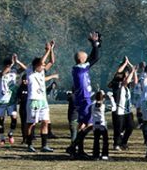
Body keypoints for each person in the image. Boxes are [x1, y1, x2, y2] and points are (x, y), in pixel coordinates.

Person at [65, 31, 101, 159]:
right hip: (85, 99)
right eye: (85, 58)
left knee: (82, 125)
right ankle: (73, 146)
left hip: (82, 99)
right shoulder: (80, 69)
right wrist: (94, 44)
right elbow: (95, 58)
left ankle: (78, 151)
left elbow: (92, 57)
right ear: (82, 60)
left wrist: (96, 44)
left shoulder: (79, 68)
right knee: (91, 125)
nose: (88, 59)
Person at [25, 41, 59, 153]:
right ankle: (29, 144)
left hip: (43, 101)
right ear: (36, 65)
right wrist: (47, 50)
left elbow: (52, 61)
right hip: (33, 100)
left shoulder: (41, 72)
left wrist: (51, 49)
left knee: (45, 121)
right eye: (42, 65)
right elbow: (41, 61)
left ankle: (44, 145)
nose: (44, 66)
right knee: (31, 123)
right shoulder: (30, 71)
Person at [0, 55, 24, 145]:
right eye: (8, 65)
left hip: (11, 100)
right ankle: (2, 138)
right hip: (1, 100)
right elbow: (3, 74)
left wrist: (17, 62)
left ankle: (10, 133)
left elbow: (24, 69)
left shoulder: (14, 72)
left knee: (14, 118)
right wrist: (10, 65)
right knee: (1, 120)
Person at [88, 90, 112, 160]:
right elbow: (114, 108)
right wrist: (111, 98)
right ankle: (104, 154)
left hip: (95, 125)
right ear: (103, 98)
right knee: (105, 140)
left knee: (96, 140)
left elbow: (91, 103)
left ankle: (96, 155)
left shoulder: (92, 106)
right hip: (102, 125)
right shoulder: (103, 106)